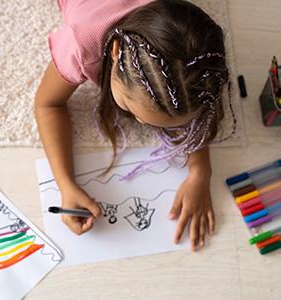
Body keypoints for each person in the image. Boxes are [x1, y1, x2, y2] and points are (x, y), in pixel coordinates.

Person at [34, 0, 237, 252]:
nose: (140, 124)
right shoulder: (81, 45)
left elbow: (197, 102)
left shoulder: (192, 46)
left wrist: (200, 170)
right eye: (131, 108)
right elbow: (47, 105)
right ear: (115, 51)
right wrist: (65, 183)